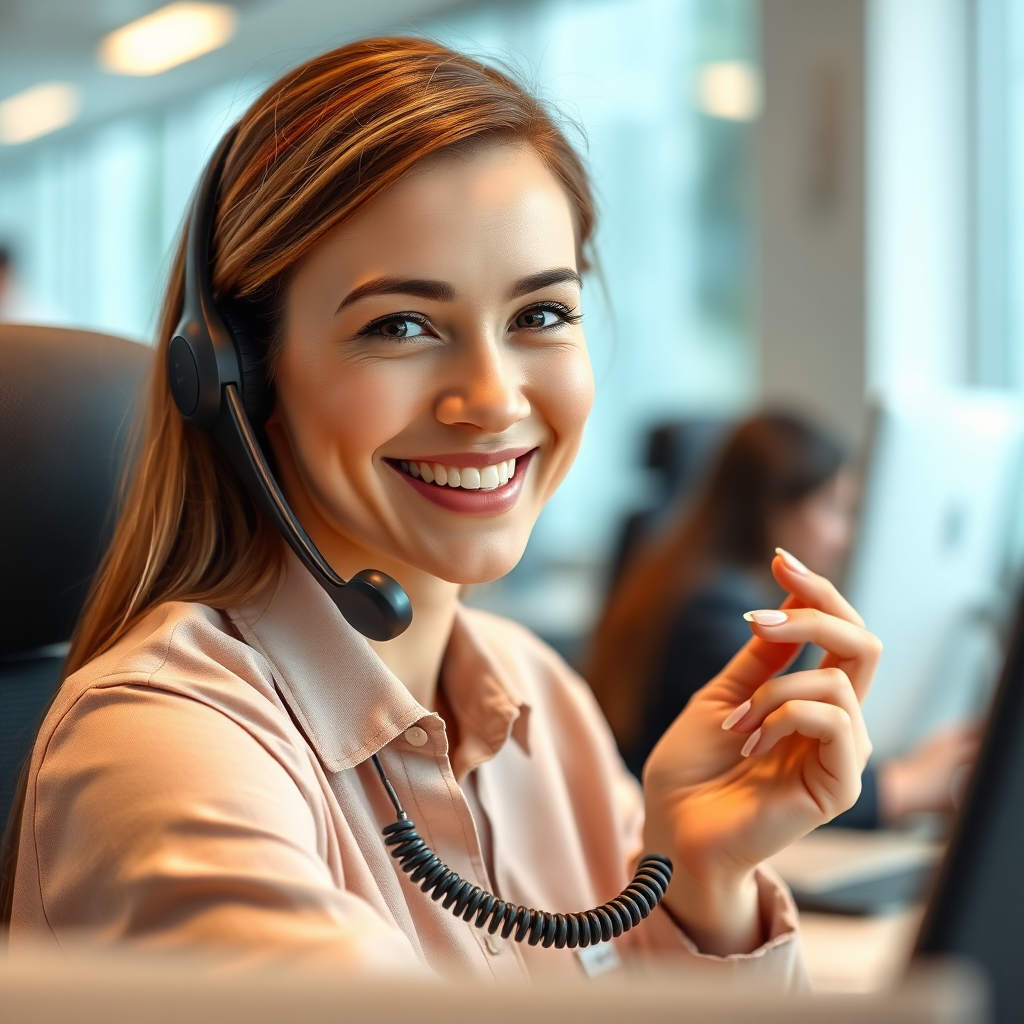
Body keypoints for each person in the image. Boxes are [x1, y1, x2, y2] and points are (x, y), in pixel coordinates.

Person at [2, 40, 881, 981]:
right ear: (240, 376)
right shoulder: (163, 750)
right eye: (401, 326)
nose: (494, 399)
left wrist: (702, 878)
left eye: (540, 314)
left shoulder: (538, 697)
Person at [586, 412, 978, 826]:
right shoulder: (714, 610)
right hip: (656, 851)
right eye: (832, 507)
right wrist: (908, 785)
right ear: (775, 505)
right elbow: (775, 779)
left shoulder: (681, 574)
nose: (843, 536)